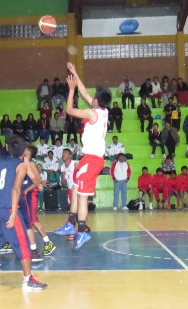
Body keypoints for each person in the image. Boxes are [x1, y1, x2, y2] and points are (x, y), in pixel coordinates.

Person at [0, 134, 47, 290]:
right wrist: (12, 213)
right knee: (22, 242)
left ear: (7, 147)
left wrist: (0, 196)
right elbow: (18, 189)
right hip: (9, 209)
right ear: (23, 150)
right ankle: (28, 279)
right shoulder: (22, 165)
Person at [54, 62, 111, 249]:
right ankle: (70, 224)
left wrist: (71, 90)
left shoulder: (92, 114)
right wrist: (75, 73)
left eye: (93, 97)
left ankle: (81, 231)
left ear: (96, 101)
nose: (90, 97)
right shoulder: (103, 111)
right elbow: (85, 92)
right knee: (76, 190)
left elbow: (69, 110)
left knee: (82, 196)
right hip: (90, 158)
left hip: (93, 159)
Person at [18, 145, 55, 260]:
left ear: (29, 153)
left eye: (26, 150)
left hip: (31, 195)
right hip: (25, 195)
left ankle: (47, 242)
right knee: (22, 219)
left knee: (32, 219)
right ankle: (11, 241)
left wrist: (27, 190)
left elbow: (38, 181)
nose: (23, 150)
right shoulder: (21, 163)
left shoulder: (31, 164)